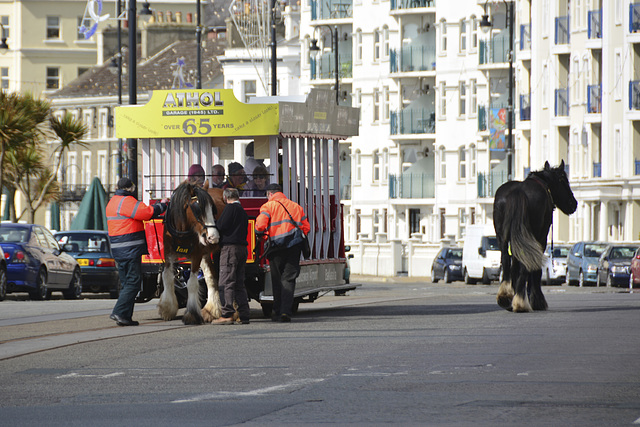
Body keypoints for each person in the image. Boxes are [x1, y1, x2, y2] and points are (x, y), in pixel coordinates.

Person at [107, 178, 168, 326]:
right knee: (134, 283)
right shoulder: (126, 201)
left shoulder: (112, 202)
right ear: (130, 188)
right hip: (129, 250)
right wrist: (164, 204)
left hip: (118, 250)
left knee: (127, 282)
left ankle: (125, 317)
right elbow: (147, 213)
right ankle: (119, 312)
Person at [255, 183, 310, 322]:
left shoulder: (268, 206)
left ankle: (277, 311)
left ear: (270, 194)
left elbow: (260, 225)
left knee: (277, 279)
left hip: (275, 248)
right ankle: (286, 311)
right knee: (289, 279)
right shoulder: (296, 206)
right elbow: (306, 227)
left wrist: (261, 233)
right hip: (294, 247)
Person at [212, 188, 251, 325]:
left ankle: (227, 313)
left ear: (225, 197)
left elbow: (221, 225)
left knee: (226, 282)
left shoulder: (230, 208)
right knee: (239, 283)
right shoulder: (242, 210)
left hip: (229, 249)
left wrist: (214, 225)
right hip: (242, 248)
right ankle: (244, 313)